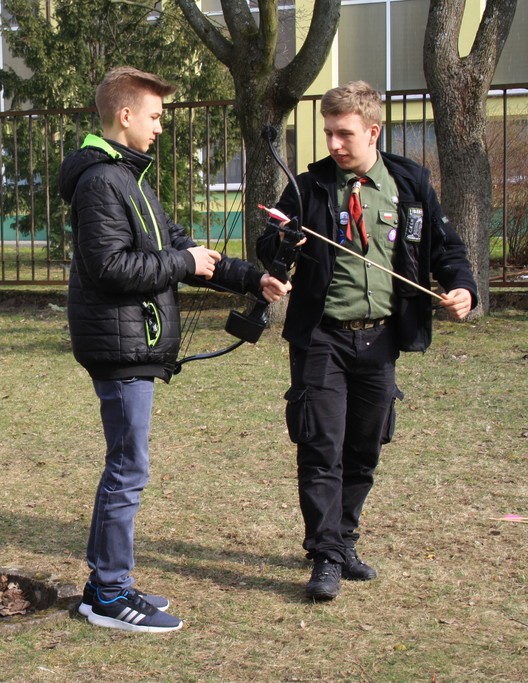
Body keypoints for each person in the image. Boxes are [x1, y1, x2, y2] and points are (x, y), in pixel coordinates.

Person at [59, 67, 290, 633]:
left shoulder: (129, 178)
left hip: (133, 343)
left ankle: (101, 586)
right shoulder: (101, 182)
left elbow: (180, 246)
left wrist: (251, 278)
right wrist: (182, 262)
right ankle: (110, 595)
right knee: (127, 468)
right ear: (125, 116)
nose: (161, 127)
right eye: (155, 116)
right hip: (120, 347)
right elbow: (112, 268)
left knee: (126, 465)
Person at [256, 80, 476, 601]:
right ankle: (326, 555)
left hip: (380, 340)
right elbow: (268, 246)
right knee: (320, 447)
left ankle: (345, 539)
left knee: (364, 448)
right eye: (328, 133)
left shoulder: (410, 183)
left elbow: (445, 247)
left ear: (373, 132)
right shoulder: (308, 187)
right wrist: (284, 244)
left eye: (345, 134)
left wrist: (463, 287)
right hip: (321, 339)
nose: (334, 144)